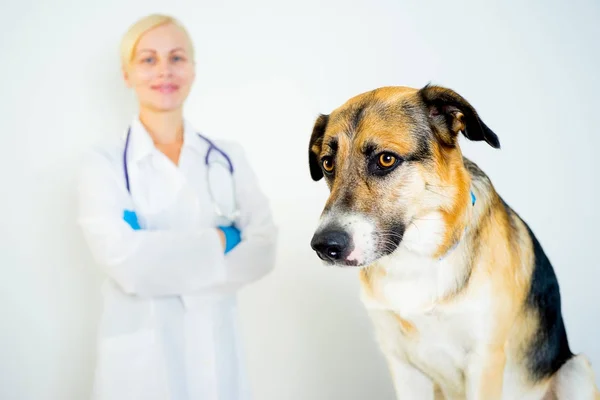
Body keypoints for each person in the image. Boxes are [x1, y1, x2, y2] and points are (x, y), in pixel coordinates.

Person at [76, 13, 278, 400]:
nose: (164, 70)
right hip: (140, 363)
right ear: (126, 74)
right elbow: (128, 267)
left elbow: (264, 250)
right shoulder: (102, 162)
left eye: (177, 57)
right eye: (148, 59)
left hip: (218, 355)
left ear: (193, 69)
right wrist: (225, 238)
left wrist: (156, 252)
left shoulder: (228, 157)